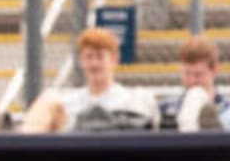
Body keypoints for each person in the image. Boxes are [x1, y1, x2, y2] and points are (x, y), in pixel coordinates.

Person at [21, 26, 158, 133]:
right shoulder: (65, 102)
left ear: (114, 60)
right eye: (89, 57)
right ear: (81, 60)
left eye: (99, 57)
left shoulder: (132, 98)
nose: (94, 64)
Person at [160, 35, 230, 132]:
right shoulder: (167, 107)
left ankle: (218, 132)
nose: (192, 81)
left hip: (225, 153)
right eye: (187, 74)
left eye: (198, 75)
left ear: (214, 70)